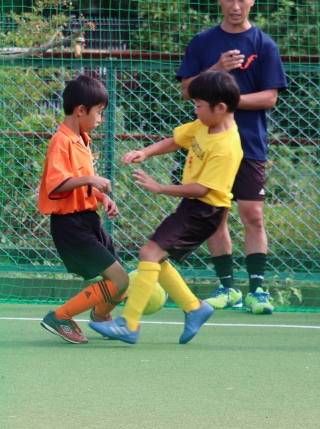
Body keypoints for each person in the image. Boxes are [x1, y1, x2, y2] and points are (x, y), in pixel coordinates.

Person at [89, 70, 241, 346]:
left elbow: (202, 189)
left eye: (199, 106)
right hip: (192, 207)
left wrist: (160, 187)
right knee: (156, 257)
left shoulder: (227, 147)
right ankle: (194, 308)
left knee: (149, 252)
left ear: (220, 108)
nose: (195, 111)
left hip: (205, 212)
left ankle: (129, 324)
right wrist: (145, 152)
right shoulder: (204, 125)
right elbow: (177, 141)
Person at [176, 0, 287, 315]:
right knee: (215, 216)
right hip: (210, 146)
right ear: (218, 0)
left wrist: (227, 100)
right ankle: (227, 288)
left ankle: (258, 291)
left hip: (249, 144)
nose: (235, 6)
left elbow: (270, 97)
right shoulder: (203, 42)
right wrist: (216, 70)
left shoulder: (264, 45)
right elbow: (186, 90)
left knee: (253, 215)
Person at [38, 74, 128, 344]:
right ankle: (59, 317)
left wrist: (101, 197)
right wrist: (91, 179)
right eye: (98, 112)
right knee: (120, 280)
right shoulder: (61, 141)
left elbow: (79, 182)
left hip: (88, 219)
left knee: (121, 285)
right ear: (80, 110)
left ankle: (100, 318)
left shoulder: (81, 139)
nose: (101, 118)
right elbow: (56, 185)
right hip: (70, 225)